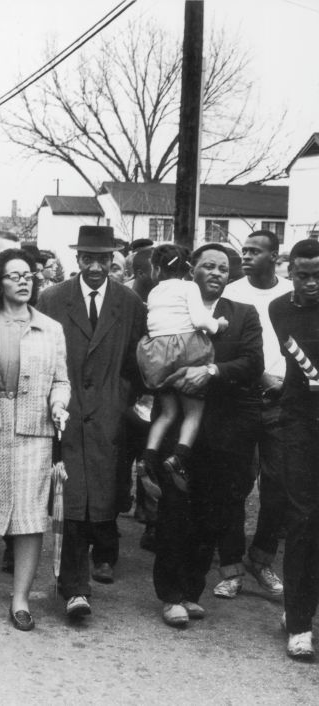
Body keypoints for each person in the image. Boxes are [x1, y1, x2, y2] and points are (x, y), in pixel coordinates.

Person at [149, 243, 263, 627]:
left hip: (222, 433)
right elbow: (148, 354)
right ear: (191, 270)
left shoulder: (243, 315)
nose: (216, 273)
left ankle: (192, 591)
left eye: (223, 268)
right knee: (174, 514)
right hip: (178, 433)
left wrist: (211, 372)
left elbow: (252, 363)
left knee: (209, 518)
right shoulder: (171, 307)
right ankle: (171, 595)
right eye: (207, 266)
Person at [36, 225, 146, 621]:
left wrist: (121, 402)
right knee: (69, 498)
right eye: (88, 258)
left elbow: (138, 362)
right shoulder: (52, 299)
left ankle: (97, 564)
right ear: (77, 259)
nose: (96, 266)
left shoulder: (130, 303)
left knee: (104, 499)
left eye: (104, 258)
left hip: (108, 416)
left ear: (114, 259)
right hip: (64, 410)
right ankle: (74, 588)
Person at [0, 248, 69, 631]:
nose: (24, 281)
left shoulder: (51, 328)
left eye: (29, 275)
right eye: (14, 275)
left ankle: (20, 598)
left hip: (34, 431)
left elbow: (61, 380)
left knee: (29, 515)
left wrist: (59, 405)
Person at [215, 229, 293, 599]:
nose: (245, 256)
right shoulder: (231, 293)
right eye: (243, 250)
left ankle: (260, 558)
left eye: (255, 251)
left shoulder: (292, 291)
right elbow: (225, 348)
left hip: (285, 400)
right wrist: (260, 375)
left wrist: (286, 381)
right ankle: (230, 566)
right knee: (234, 482)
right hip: (241, 397)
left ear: (274, 256)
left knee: (278, 486)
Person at [136, 244, 227, 495]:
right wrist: (218, 325)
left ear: (155, 270)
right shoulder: (189, 287)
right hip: (185, 350)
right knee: (193, 413)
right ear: (188, 269)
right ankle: (178, 457)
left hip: (156, 355)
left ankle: (147, 458)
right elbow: (199, 320)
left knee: (167, 413)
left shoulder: (154, 292)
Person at [267, 238, 319, 660]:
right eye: (303, 275)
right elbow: (305, 368)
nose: (312, 282)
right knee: (304, 519)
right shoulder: (279, 308)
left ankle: (301, 606)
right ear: (290, 272)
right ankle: (300, 623)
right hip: (301, 424)